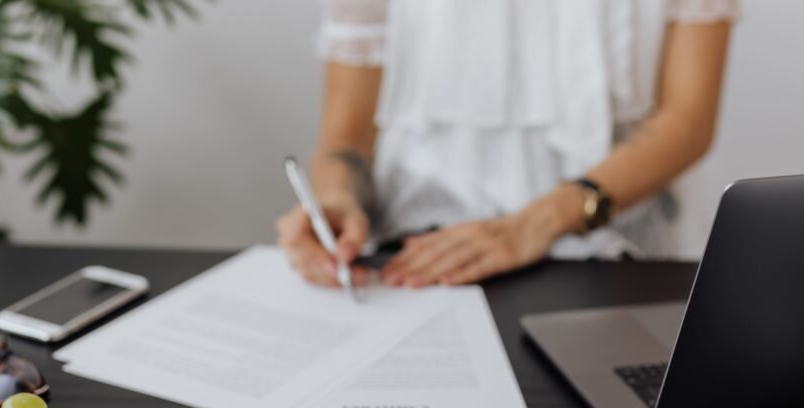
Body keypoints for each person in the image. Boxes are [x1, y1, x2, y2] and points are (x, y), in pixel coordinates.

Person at [277, 0, 738, 289]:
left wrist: (532, 225)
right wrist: (337, 201)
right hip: (419, 255)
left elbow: (688, 124)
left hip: (617, 254)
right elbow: (346, 140)